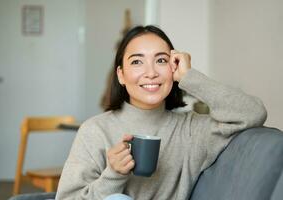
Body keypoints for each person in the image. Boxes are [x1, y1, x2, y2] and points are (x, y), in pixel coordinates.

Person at [56, 25, 267, 200]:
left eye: (161, 60)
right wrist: (113, 175)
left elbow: (253, 113)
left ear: (174, 69)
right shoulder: (95, 131)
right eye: (137, 62)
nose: (151, 73)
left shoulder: (192, 130)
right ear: (121, 75)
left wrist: (190, 77)